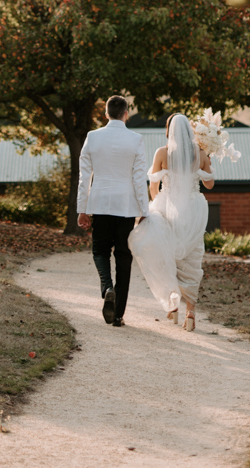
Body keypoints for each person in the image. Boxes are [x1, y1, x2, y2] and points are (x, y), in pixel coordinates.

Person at [128, 113, 214, 332]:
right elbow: (210, 184)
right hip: (193, 210)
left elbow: (153, 184)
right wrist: (207, 163)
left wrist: (155, 204)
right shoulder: (200, 153)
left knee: (165, 255)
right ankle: (191, 313)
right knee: (193, 258)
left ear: (168, 131)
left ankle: (173, 307)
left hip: (167, 207)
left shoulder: (162, 153)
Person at [77, 95, 149, 327]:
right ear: (126, 114)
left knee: (100, 250)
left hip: (99, 202)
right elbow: (139, 179)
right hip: (126, 206)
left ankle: (107, 287)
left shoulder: (92, 137)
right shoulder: (136, 139)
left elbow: (84, 177)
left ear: (106, 114)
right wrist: (143, 209)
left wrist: (82, 209)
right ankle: (118, 315)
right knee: (123, 257)